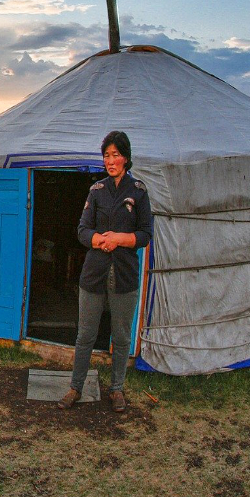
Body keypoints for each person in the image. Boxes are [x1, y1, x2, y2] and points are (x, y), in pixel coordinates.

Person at [59, 131, 153, 413]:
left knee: (121, 336)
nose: (110, 161)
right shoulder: (96, 190)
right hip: (94, 272)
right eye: (106, 155)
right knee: (85, 334)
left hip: (124, 274)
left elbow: (146, 234)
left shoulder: (138, 191)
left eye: (116, 155)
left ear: (126, 157)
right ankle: (75, 388)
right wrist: (99, 240)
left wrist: (119, 239)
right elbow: (82, 230)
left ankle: (117, 389)